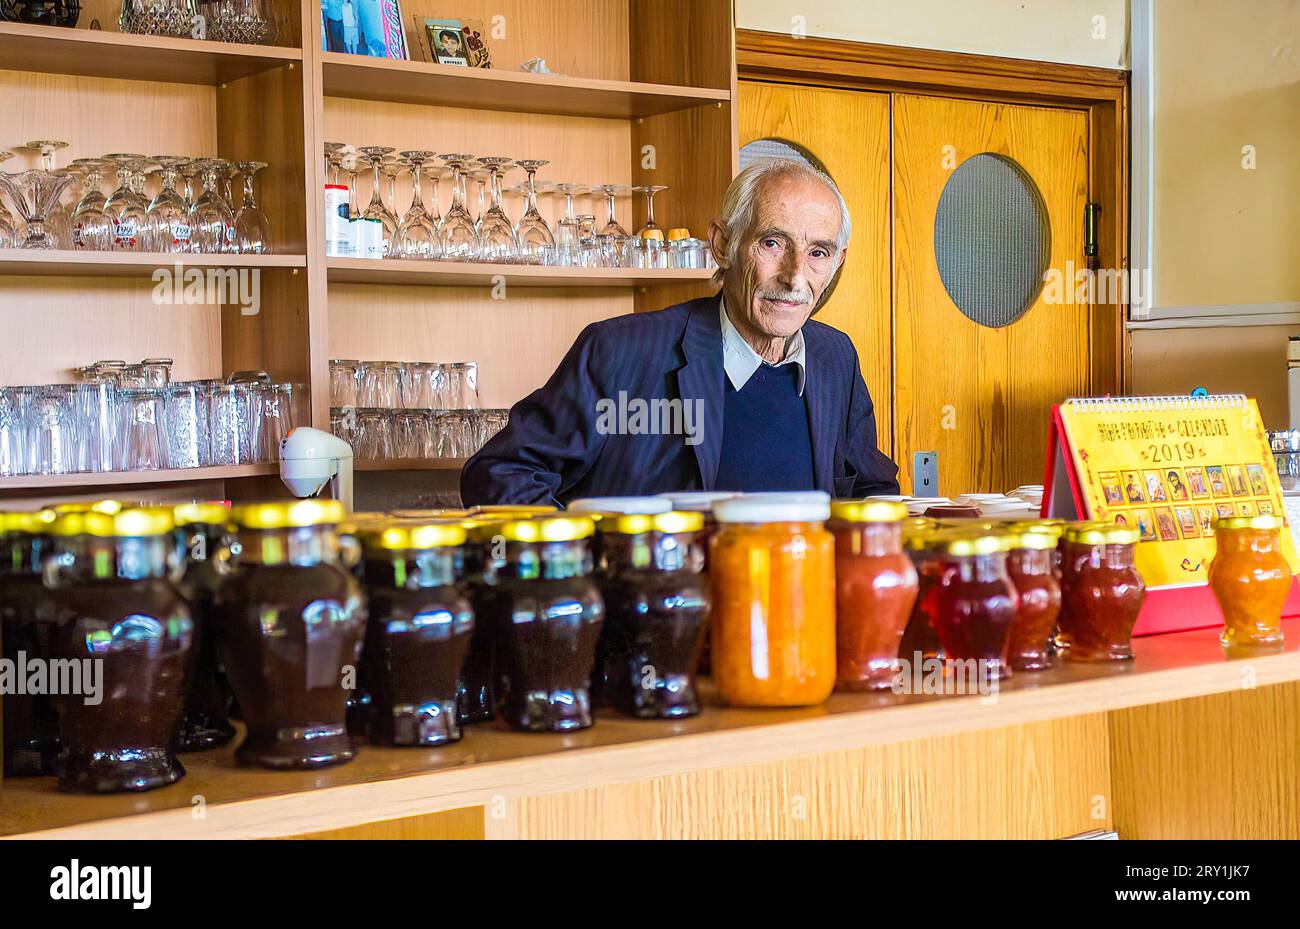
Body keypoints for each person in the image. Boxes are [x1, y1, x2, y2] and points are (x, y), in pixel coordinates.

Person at [460, 158, 900, 507]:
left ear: (836, 262)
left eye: (818, 252)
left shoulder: (835, 358)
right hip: (662, 616)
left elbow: (871, 492)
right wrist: (588, 567)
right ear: (723, 244)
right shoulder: (620, 353)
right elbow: (499, 475)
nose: (794, 277)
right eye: (772, 243)